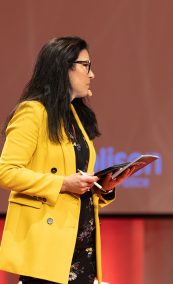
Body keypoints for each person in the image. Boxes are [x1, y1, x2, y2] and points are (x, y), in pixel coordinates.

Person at [0, 36, 135, 284]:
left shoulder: (75, 116)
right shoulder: (33, 112)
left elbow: (77, 178)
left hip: (80, 242)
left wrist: (104, 186)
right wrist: (62, 183)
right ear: (64, 67)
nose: (91, 74)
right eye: (86, 66)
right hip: (48, 242)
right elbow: (6, 171)